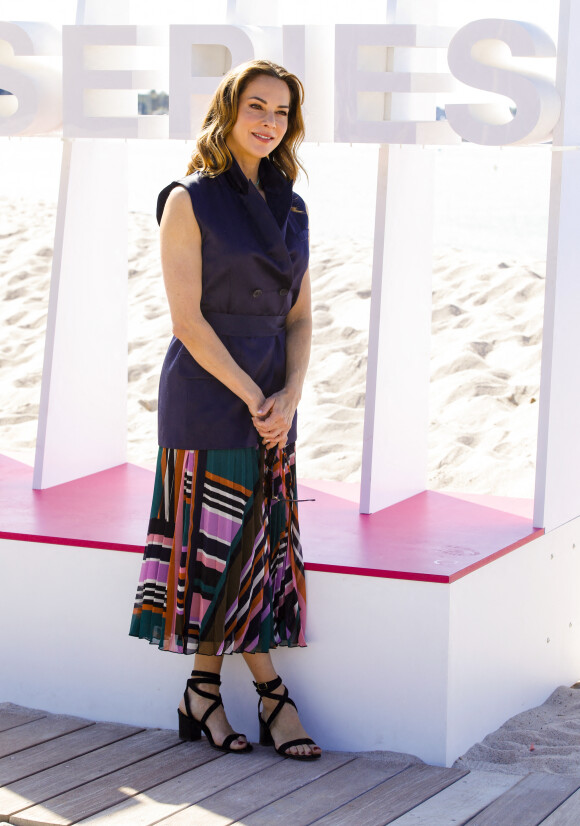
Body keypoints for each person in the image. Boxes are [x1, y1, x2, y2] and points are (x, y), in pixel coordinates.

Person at [129, 59, 320, 761]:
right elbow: (187, 321)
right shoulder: (189, 199)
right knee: (225, 549)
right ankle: (273, 695)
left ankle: (201, 691)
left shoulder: (294, 207)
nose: (269, 122)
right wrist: (254, 395)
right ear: (228, 110)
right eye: (257, 107)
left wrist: (290, 393)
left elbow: (301, 316)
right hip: (211, 393)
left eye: (282, 112)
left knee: (255, 546)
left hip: (275, 393)